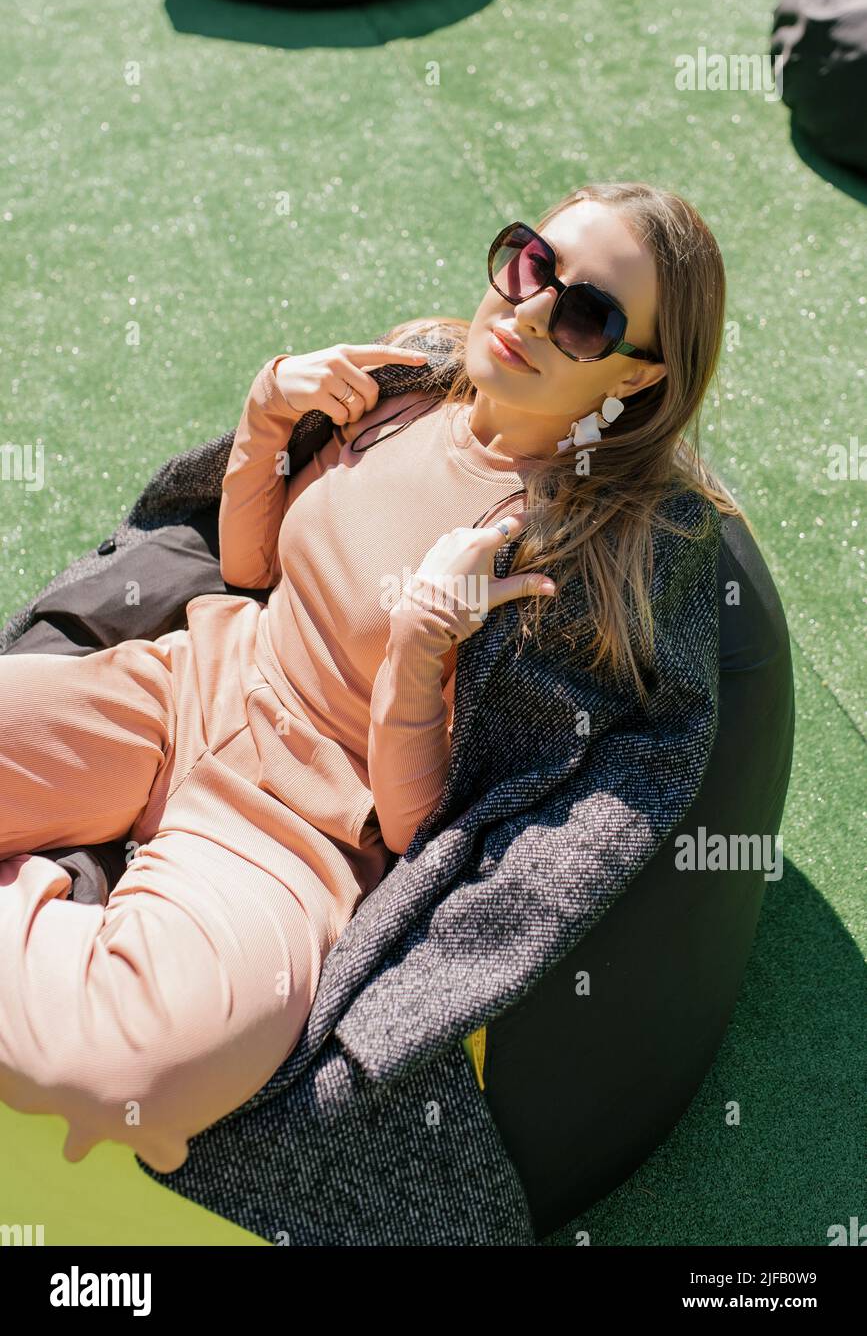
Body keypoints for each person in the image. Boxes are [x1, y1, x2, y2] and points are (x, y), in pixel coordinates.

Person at [0, 181, 742, 1174]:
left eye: (583, 314)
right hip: (183, 692)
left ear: (640, 375)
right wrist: (266, 420)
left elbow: (423, 835)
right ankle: (67, 919)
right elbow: (252, 571)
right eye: (531, 262)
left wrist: (420, 648)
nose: (526, 309)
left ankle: (62, 916)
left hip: (296, 836)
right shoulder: (412, 378)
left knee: (128, 1080)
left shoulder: (575, 565)